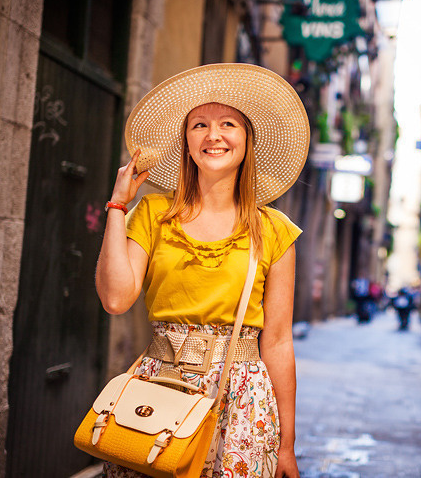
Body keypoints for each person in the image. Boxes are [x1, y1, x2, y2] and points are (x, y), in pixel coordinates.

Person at [95, 64, 309, 478]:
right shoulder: (153, 214)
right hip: (160, 390)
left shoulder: (274, 230)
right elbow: (116, 299)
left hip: (243, 403)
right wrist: (118, 206)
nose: (214, 135)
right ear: (187, 143)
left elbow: (279, 342)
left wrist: (287, 445)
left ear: (246, 140)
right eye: (199, 125)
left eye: (228, 123)